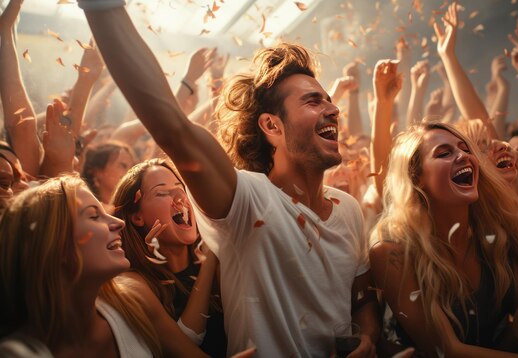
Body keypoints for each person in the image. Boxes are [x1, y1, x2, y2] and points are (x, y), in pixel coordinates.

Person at [79, 2, 379, 357]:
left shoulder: (348, 210)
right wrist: (102, 7)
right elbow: (171, 125)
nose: (333, 109)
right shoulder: (246, 200)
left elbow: (360, 302)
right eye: (314, 101)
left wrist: (369, 339)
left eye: (330, 100)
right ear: (271, 126)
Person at [369, 122, 518, 356]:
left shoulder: (497, 236)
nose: (464, 156)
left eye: (465, 149)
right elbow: (446, 350)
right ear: (416, 177)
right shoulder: (392, 252)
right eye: (444, 153)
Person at [0, 175, 160, 357]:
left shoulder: (130, 306)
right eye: (93, 215)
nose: (119, 222)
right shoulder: (18, 354)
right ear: (54, 245)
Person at [112, 158, 227, 356]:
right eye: (162, 192)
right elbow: (187, 342)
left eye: (180, 187)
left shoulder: (222, 260)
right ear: (137, 217)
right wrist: (208, 262)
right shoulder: (134, 284)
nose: (180, 197)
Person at [82, 141, 135, 208]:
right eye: (123, 166)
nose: (130, 172)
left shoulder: (131, 208)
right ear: (98, 171)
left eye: (132, 167)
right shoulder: (85, 207)